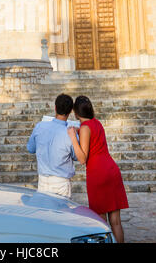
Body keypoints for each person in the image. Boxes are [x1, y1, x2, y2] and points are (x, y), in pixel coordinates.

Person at [67, 95, 129, 243]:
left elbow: (82, 158)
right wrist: (79, 131)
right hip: (111, 169)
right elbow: (92, 135)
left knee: (101, 222)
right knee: (116, 221)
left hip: (98, 174)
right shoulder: (97, 123)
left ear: (76, 113)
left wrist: (73, 137)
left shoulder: (84, 128)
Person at [27, 94, 77, 198]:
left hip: (42, 180)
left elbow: (30, 149)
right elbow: (76, 156)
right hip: (61, 182)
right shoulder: (70, 132)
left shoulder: (40, 126)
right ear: (70, 111)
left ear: (55, 108)